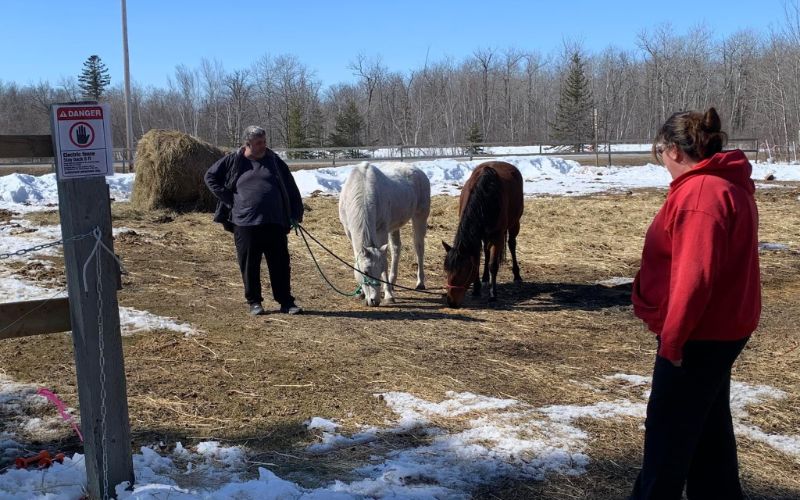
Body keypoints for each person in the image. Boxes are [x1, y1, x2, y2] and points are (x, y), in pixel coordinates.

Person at [630, 107, 761, 499]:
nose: (662, 163)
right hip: (719, 330)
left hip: (696, 336)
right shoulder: (722, 185)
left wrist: (672, 343)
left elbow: (694, 278)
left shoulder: (701, 195)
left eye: (659, 154)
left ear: (673, 150)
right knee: (707, 435)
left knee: (667, 442)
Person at [205, 126, 304, 316]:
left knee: (281, 263)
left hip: (274, 221)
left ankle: (286, 301)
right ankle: (254, 302)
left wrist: (295, 212)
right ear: (248, 144)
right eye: (259, 143)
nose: (263, 145)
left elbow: (291, 186)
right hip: (245, 223)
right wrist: (227, 197)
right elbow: (210, 176)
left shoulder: (274, 160)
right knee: (250, 264)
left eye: (264, 141)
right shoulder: (234, 161)